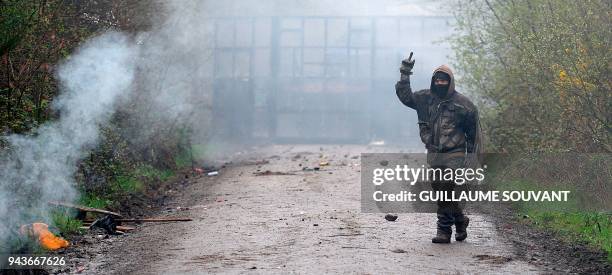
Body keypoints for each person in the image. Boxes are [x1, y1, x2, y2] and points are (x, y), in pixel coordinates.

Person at [395, 52, 482, 243]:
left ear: (450, 82)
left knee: (445, 187)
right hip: (434, 153)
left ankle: (443, 231)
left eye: (444, 80)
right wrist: (405, 72)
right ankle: (460, 221)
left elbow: (473, 133)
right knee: (442, 190)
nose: (440, 83)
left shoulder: (464, 105)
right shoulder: (425, 98)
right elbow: (405, 96)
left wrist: (471, 157)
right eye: (438, 80)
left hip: (455, 153)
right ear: (433, 81)